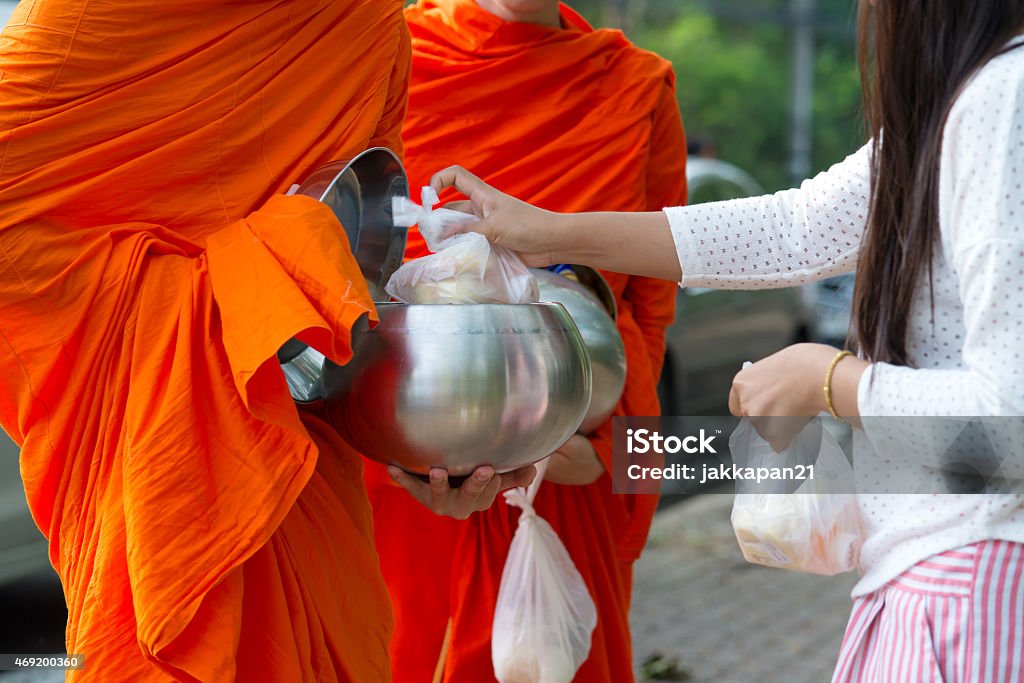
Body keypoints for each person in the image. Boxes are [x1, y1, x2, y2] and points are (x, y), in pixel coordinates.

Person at [428, 1, 1024, 680]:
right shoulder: (960, 108)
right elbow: (796, 227)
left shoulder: (1001, 101)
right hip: (925, 574)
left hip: (974, 581)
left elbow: (1010, 422)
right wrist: (548, 232)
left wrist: (826, 378)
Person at [0, 1, 532, 680]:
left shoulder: (359, 27)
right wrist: (249, 292)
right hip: (156, 476)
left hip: (306, 483)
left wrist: (419, 447)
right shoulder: (87, 23)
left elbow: (362, 261)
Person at [365, 1, 686, 680]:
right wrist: (409, 455)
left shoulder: (632, 85)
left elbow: (650, 314)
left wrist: (607, 449)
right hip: (406, 472)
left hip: (568, 473)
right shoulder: (385, 53)